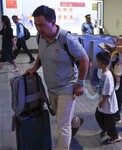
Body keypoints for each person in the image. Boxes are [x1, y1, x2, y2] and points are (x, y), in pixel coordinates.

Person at [26, 5, 89, 150]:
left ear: (53, 22)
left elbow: (84, 59)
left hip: (68, 87)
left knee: (62, 126)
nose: (38, 29)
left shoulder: (66, 39)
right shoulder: (40, 39)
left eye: (41, 25)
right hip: (52, 87)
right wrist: (35, 67)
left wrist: (80, 84)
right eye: (36, 25)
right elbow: (41, 55)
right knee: (62, 117)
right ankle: (76, 121)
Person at [95, 50, 121, 144]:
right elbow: (103, 86)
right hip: (104, 103)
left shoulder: (107, 75)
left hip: (108, 105)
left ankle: (115, 136)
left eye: (97, 60)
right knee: (98, 115)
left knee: (110, 124)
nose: (96, 62)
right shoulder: (104, 73)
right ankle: (105, 129)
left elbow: (108, 92)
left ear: (101, 63)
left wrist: (103, 101)